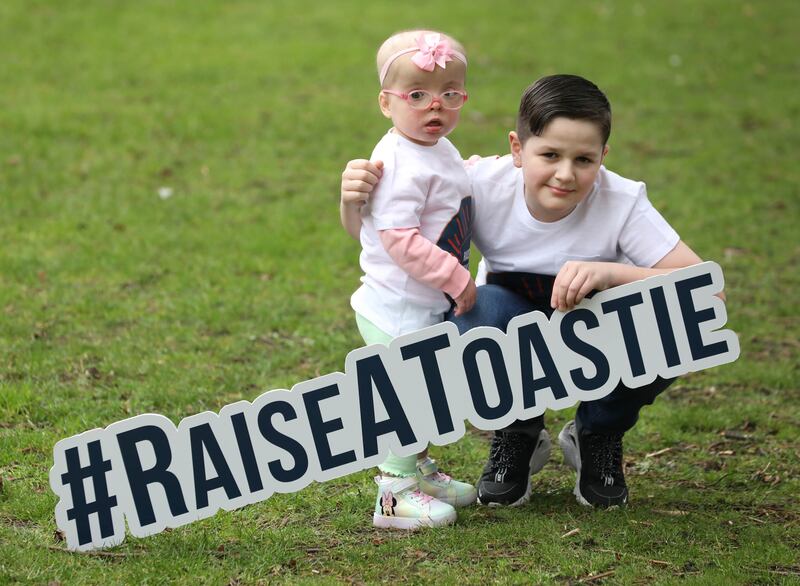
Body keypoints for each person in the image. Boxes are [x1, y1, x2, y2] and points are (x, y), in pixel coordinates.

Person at [341, 74, 713, 509]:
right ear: (517, 149)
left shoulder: (622, 201)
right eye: (550, 155)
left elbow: (707, 292)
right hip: (510, 323)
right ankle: (518, 431)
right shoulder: (478, 182)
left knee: (672, 323)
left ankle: (598, 434)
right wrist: (352, 201)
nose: (565, 174)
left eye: (584, 159)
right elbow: (386, 235)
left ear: (603, 156)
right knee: (476, 315)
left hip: (595, 333)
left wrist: (612, 274)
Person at [349, 29, 479, 529]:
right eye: (417, 95)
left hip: (420, 304)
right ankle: (393, 495)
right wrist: (456, 278)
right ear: (387, 103)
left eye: (450, 94)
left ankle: (419, 471)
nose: (435, 106)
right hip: (398, 307)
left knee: (425, 389)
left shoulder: (435, 148)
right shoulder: (401, 161)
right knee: (408, 397)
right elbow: (399, 239)